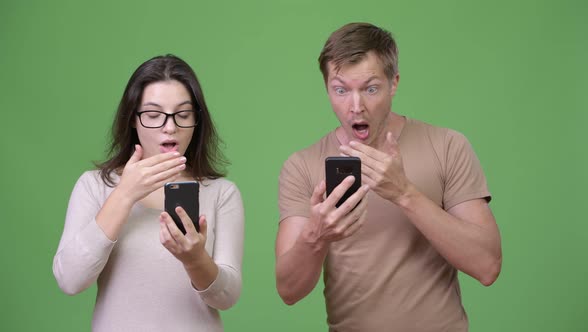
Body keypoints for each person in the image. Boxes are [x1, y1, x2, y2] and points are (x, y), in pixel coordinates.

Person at [275, 23, 502, 331]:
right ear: (327, 87)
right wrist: (317, 234)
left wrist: (404, 193)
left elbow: (487, 266)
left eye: (370, 88)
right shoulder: (302, 165)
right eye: (341, 90)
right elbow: (289, 291)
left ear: (393, 83)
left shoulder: (448, 146)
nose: (356, 107)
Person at [53, 54, 244, 332]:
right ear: (133, 119)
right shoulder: (94, 185)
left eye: (183, 114)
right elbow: (69, 280)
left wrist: (195, 259)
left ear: (197, 119)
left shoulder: (220, 193)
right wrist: (124, 194)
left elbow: (227, 297)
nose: (170, 127)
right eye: (154, 115)